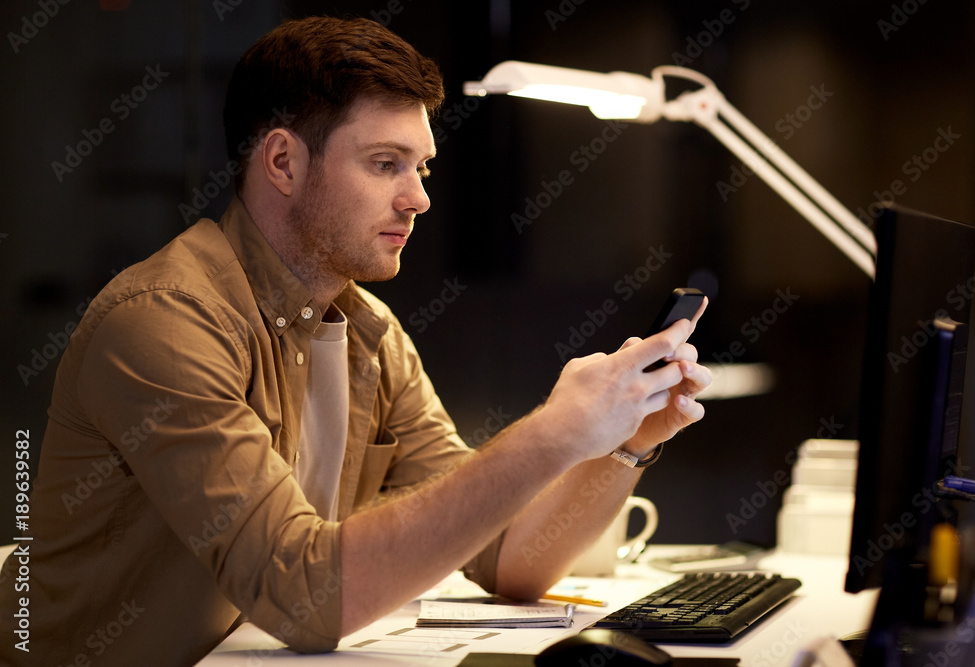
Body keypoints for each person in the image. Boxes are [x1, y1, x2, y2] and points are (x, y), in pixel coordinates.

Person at [0, 15, 711, 666]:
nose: (419, 197)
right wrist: (553, 434)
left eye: (421, 166)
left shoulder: (368, 330)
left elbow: (508, 558)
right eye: (385, 164)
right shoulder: (164, 320)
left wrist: (628, 441)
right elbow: (302, 595)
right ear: (282, 163)